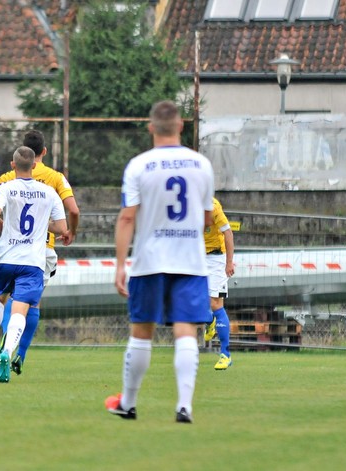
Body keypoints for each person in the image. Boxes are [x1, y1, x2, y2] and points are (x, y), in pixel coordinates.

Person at [107, 100, 214, 424]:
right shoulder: (201, 165)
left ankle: (128, 402)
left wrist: (120, 264)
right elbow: (208, 218)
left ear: (151, 128)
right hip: (190, 262)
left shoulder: (138, 166)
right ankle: (184, 406)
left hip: (150, 261)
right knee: (185, 331)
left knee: (142, 332)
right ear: (181, 126)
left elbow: (127, 218)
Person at [0, 130, 80, 375]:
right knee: (28, 305)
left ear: (13, 163)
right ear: (40, 157)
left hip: (7, 254)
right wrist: (66, 231)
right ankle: (14, 353)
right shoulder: (53, 182)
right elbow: (67, 220)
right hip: (37, 255)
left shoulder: (6, 182)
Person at [202, 197, 235, 370]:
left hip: (217, 258)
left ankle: (225, 355)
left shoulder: (213, 207)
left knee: (215, 303)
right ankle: (209, 322)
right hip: (198, 256)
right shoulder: (186, 203)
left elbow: (228, 232)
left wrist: (229, 262)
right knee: (190, 298)